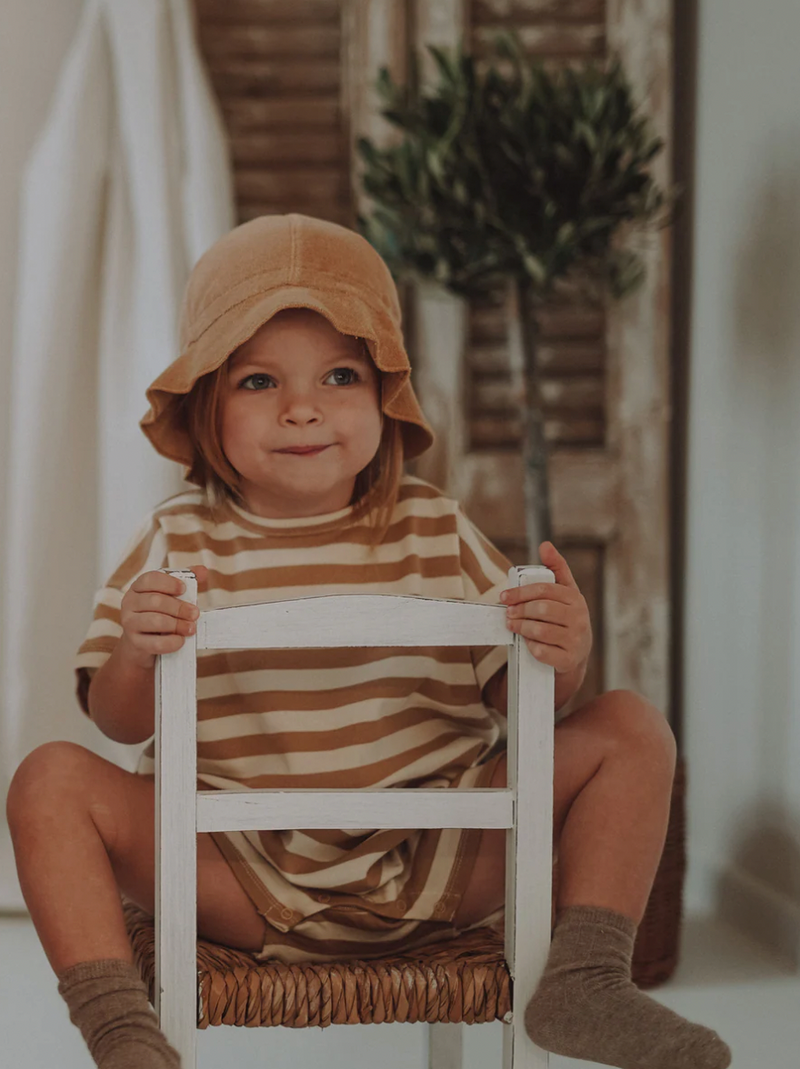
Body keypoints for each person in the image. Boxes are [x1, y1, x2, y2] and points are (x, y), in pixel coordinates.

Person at [6, 214, 731, 1069]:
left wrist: (558, 654)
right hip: (239, 876)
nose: (303, 407)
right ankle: (122, 1030)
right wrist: (135, 649)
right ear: (206, 403)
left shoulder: (434, 526)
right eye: (258, 381)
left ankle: (586, 976)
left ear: (385, 395)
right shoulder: (176, 539)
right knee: (47, 779)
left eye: (340, 374)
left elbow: (518, 700)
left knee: (632, 728)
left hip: (444, 856)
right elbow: (120, 724)